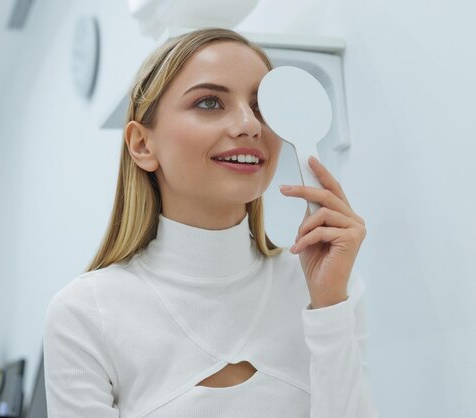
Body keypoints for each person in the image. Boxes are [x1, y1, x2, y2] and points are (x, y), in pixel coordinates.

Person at [44, 28, 378, 417]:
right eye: (209, 102)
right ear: (141, 144)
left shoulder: (327, 290)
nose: (249, 124)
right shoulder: (86, 313)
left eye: (261, 107)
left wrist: (329, 309)